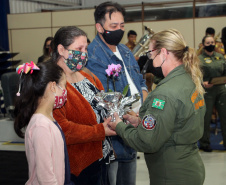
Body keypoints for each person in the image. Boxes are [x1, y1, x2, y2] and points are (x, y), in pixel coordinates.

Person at [108, 29, 206, 185]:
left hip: (171, 174)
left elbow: (147, 142)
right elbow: (176, 123)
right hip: (189, 165)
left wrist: (119, 126)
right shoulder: (188, 80)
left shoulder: (164, 94)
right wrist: (140, 122)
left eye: (151, 53)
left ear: (164, 52)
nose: (150, 57)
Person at [86, 2, 148, 185]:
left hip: (131, 129)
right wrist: (130, 115)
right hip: (111, 136)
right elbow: (102, 98)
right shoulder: (94, 56)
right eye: (113, 26)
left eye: (122, 26)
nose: (119, 30)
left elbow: (141, 81)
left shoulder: (125, 51)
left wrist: (141, 108)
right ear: (99, 27)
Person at [51, 26, 116, 185]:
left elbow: (104, 104)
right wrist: (100, 131)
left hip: (101, 156)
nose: (84, 53)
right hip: (79, 166)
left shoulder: (88, 77)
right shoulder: (53, 85)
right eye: (79, 48)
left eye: (86, 48)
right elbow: (62, 129)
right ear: (62, 50)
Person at [14, 61, 74, 185]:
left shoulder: (48, 120)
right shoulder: (41, 126)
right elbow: (45, 178)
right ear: (52, 86)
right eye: (64, 85)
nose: (65, 91)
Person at [198, 35, 226, 152]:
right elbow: (195, 75)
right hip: (207, 91)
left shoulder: (220, 57)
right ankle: (205, 143)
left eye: (212, 42)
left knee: (224, 117)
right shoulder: (199, 59)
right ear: (203, 45)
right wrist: (202, 83)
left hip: (221, 90)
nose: (211, 45)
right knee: (206, 117)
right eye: (208, 43)